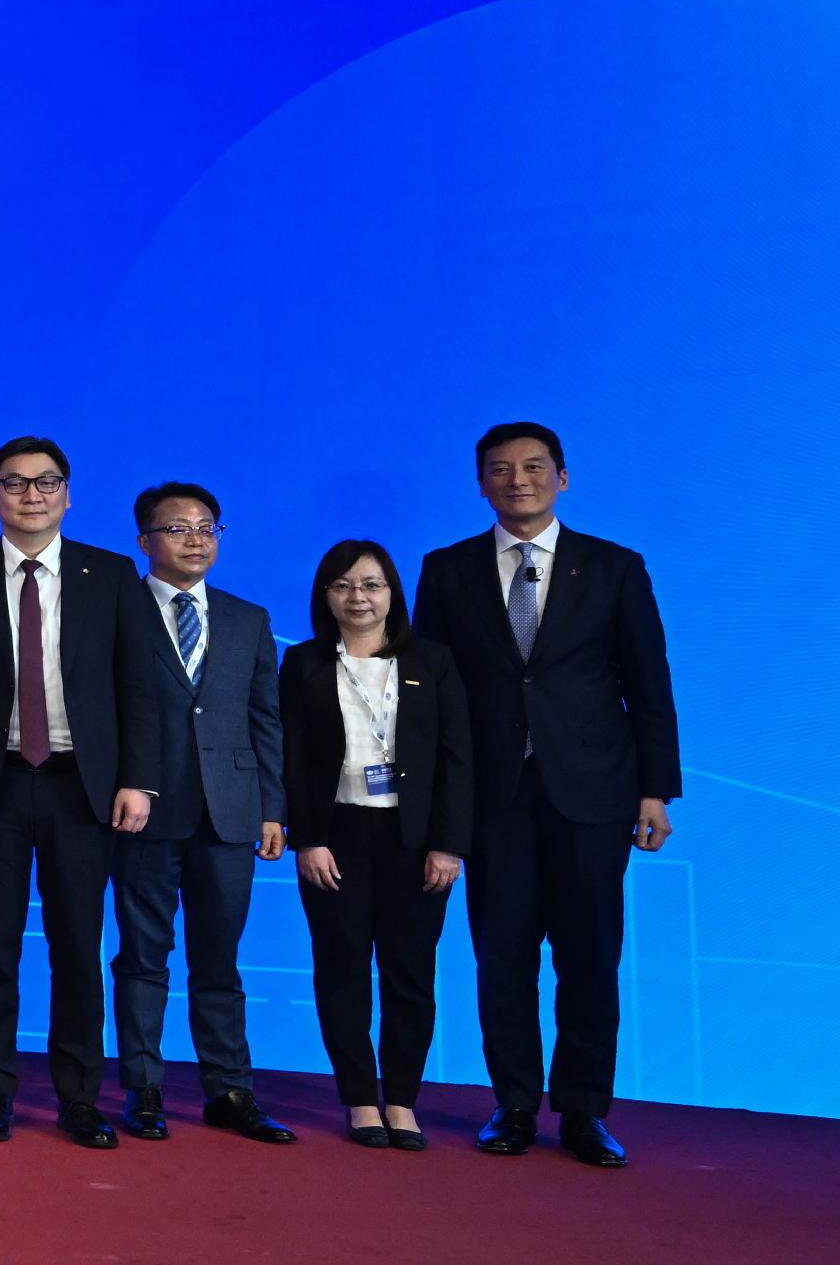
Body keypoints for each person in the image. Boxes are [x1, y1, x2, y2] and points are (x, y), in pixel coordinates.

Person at [421, 422, 677, 1169]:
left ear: (562, 477)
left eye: (534, 467)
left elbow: (648, 682)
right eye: (500, 469)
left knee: (590, 955)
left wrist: (656, 789)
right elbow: (432, 692)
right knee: (501, 955)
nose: (518, 480)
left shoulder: (614, 566)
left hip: (594, 789)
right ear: (481, 483)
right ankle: (515, 1102)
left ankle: (586, 1109)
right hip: (492, 793)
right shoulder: (448, 568)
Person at [0, 436, 159, 1148]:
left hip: (79, 787)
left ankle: (79, 1097)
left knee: (77, 948)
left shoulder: (112, 573)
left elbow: (140, 685)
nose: (32, 494)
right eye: (15, 483)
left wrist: (137, 778)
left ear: (68, 492)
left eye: (46, 482)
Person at [111, 482, 292, 1145]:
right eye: (178, 527)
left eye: (207, 527)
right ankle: (144, 1087)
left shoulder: (248, 617)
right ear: (145, 541)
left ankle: (231, 1089)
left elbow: (264, 720)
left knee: (220, 960)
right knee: (142, 956)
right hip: (144, 812)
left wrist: (272, 807)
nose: (195, 538)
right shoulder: (116, 608)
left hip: (231, 812)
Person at [283, 541, 473, 1151]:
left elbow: (456, 761)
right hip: (335, 837)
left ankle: (403, 1101)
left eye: (371, 584)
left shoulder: (434, 661)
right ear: (325, 596)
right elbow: (291, 758)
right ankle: (361, 1099)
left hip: (415, 842)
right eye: (342, 586)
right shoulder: (305, 663)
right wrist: (306, 839)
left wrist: (448, 845)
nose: (357, 597)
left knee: (410, 973)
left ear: (393, 592)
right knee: (341, 968)